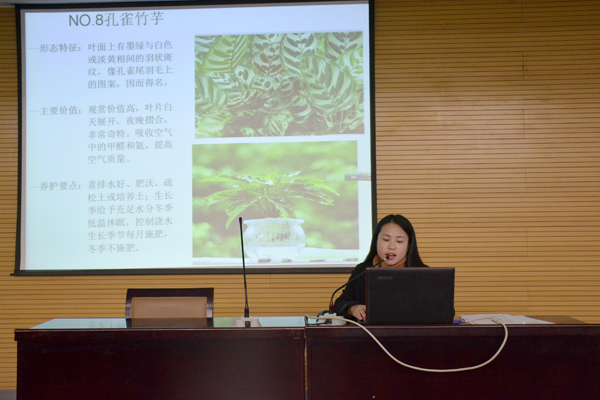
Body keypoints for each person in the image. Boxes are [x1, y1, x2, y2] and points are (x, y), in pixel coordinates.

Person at [331, 214, 428, 321]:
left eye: (399, 241)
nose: (391, 246)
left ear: (409, 246)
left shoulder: (424, 274)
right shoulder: (362, 271)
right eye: (386, 240)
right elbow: (339, 304)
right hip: (369, 331)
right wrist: (352, 308)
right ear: (376, 242)